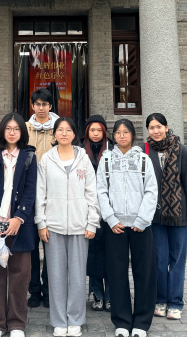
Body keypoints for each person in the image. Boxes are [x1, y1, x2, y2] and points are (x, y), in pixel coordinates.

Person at [36, 117, 100, 337]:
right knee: (55, 276)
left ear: (74, 134)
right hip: (53, 226)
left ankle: (75, 319)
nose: (64, 133)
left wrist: (92, 222)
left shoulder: (84, 159)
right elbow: (40, 193)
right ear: (54, 134)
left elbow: (92, 193)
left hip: (80, 226)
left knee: (78, 275)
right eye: (60, 130)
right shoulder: (46, 159)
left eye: (68, 130)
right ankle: (59, 321)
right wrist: (41, 222)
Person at [0, 113, 38, 337]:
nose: (12, 133)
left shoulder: (29, 156)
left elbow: (30, 190)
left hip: (18, 225)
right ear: (2, 130)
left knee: (20, 276)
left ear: (22, 132)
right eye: (8, 128)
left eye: (17, 129)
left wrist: (19, 217)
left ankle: (17, 324)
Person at [96, 119, 158, 337]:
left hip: (141, 225)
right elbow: (100, 191)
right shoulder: (106, 159)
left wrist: (142, 220)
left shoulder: (143, 159)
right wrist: (110, 219)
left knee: (144, 273)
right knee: (117, 273)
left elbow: (151, 191)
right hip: (116, 226)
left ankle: (141, 322)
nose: (121, 136)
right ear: (113, 136)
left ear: (133, 135)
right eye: (118, 132)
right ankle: (121, 321)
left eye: (126, 132)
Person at [144, 113, 187, 321]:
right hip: (155, 215)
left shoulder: (181, 150)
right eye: (151, 127)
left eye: (159, 126)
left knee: (177, 260)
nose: (156, 131)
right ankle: (160, 300)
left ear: (166, 127)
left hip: (179, 214)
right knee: (159, 259)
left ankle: (175, 302)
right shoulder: (144, 151)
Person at [27, 87, 58, 308]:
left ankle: (49, 289)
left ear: (50, 106)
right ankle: (34, 290)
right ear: (32, 106)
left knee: (50, 244)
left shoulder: (59, 129)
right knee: (31, 245)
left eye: (44, 104)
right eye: (37, 104)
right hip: (29, 193)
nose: (40, 108)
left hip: (52, 193)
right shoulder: (24, 128)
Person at [81, 115, 112, 312]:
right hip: (88, 210)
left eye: (99, 130)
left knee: (110, 255)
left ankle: (110, 296)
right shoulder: (80, 152)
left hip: (109, 210)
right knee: (92, 256)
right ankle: (97, 295)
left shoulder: (112, 151)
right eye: (92, 130)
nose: (95, 134)